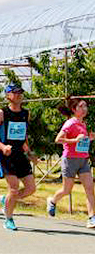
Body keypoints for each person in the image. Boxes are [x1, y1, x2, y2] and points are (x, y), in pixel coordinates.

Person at [0, 83, 38, 230]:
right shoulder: (1, 113)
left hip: (20, 154)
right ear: (8, 95)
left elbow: (23, 137)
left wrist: (30, 153)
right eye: (15, 93)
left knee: (31, 188)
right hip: (6, 155)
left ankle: (6, 200)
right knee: (14, 187)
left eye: (20, 92)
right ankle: (8, 219)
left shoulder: (25, 113)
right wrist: (2, 147)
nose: (19, 95)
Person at [47, 98, 95, 228]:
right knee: (66, 190)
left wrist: (88, 139)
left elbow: (81, 143)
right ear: (74, 109)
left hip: (83, 160)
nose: (85, 109)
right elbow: (58, 139)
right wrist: (75, 140)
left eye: (85, 106)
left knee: (90, 189)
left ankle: (92, 218)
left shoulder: (83, 124)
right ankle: (52, 201)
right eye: (81, 106)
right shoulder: (70, 123)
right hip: (70, 160)